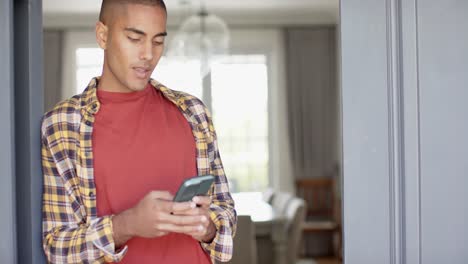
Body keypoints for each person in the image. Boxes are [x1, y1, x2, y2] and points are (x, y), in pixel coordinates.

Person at [40, 0, 236, 263]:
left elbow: (225, 211)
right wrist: (127, 225)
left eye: (158, 41)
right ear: (103, 35)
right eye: (135, 38)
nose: (148, 54)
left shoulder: (193, 113)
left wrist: (208, 228)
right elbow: (57, 248)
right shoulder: (62, 125)